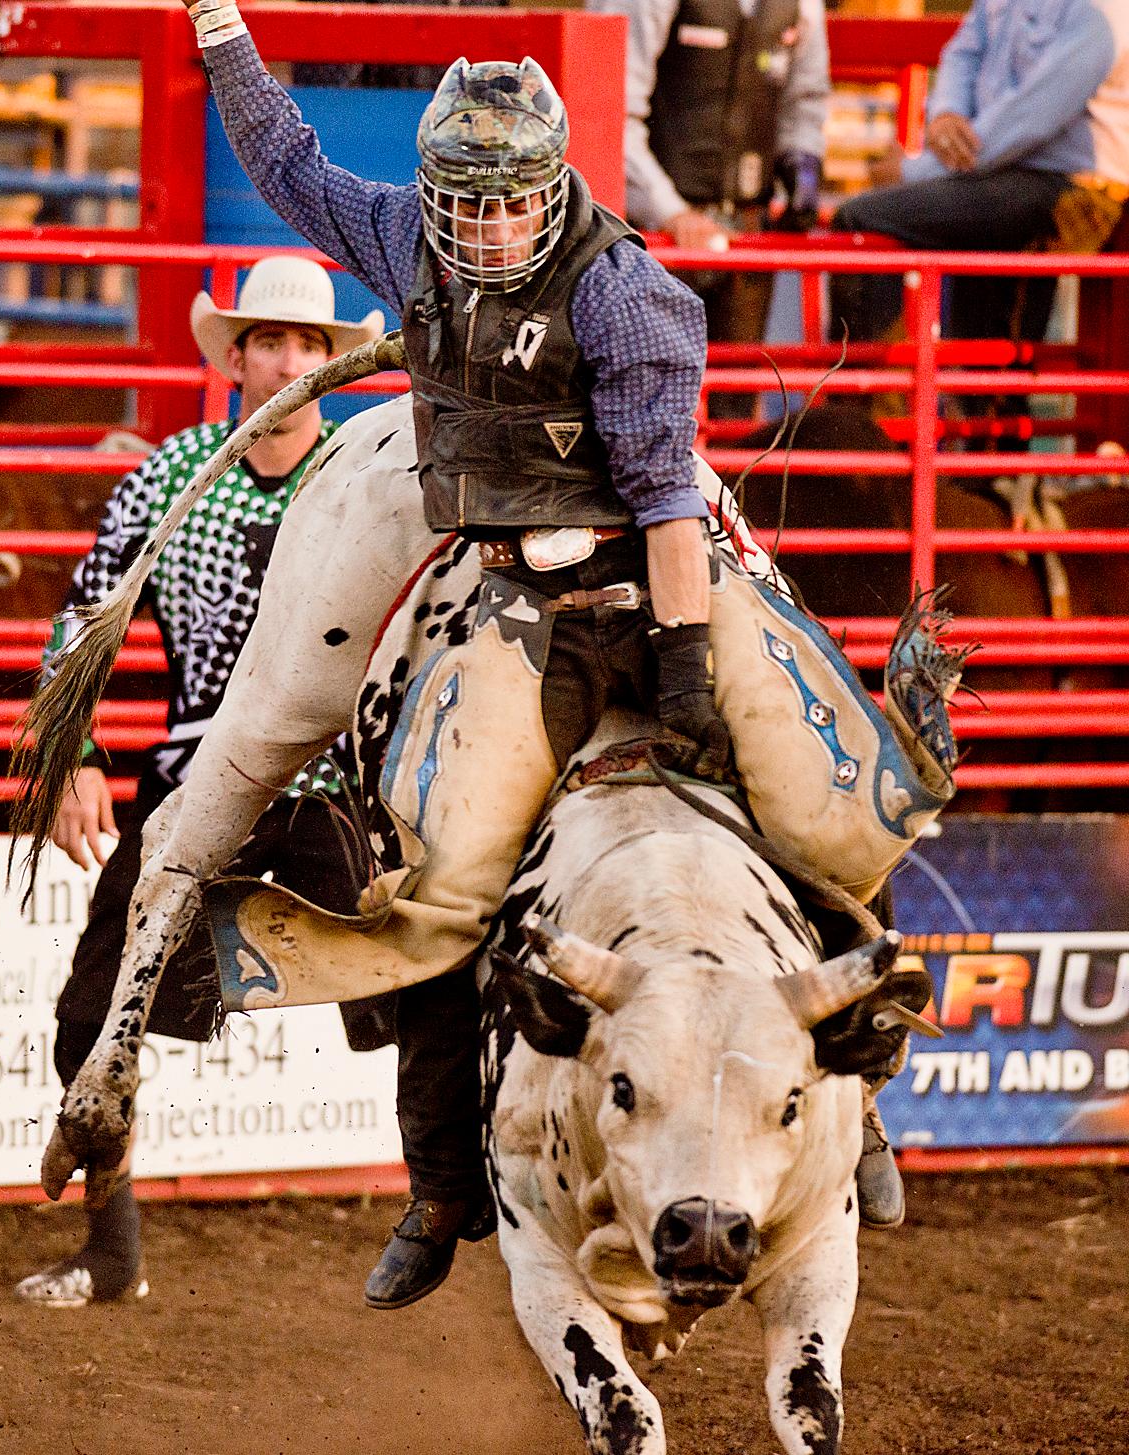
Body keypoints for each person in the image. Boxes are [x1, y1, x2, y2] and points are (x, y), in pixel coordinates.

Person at [170, 0, 959, 1308]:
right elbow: (297, 169)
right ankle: (439, 1183)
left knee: (818, 797)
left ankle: (858, 1096)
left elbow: (661, 493)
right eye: (464, 204)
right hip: (517, 603)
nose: (482, 227)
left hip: (652, 563)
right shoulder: (408, 233)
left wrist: (691, 657)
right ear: (443, 199)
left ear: (550, 193)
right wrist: (224, 40)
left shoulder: (620, 286)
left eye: (505, 202)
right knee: (440, 886)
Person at [14, 256, 383, 1307]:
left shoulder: (363, 473)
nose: (287, 360)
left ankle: (482, 1217)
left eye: (308, 345)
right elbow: (84, 621)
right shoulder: (171, 474)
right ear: (235, 358)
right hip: (193, 777)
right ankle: (113, 1253)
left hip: (331, 779)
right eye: (268, 341)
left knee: (441, 986)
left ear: (331, 362)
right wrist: (75, 756)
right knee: (88, 1018)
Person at [831, 0, 1129, 348]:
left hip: (1071, 188)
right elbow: (964, 51)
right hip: (1003, 175)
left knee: (863, 218)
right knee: (982, 347)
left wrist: (916, 171)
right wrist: (946, 116)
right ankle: (932, 393)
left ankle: (871, 395)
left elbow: (1031, 117)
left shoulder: (1104, 9)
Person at [587, 0, 830, 412]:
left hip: (748, 230)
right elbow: (608, 102)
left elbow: (806, 98)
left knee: (734, 409)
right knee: (646, 407)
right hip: (652, 237)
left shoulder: (803, 6)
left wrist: (802, 164)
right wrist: (670, 211)